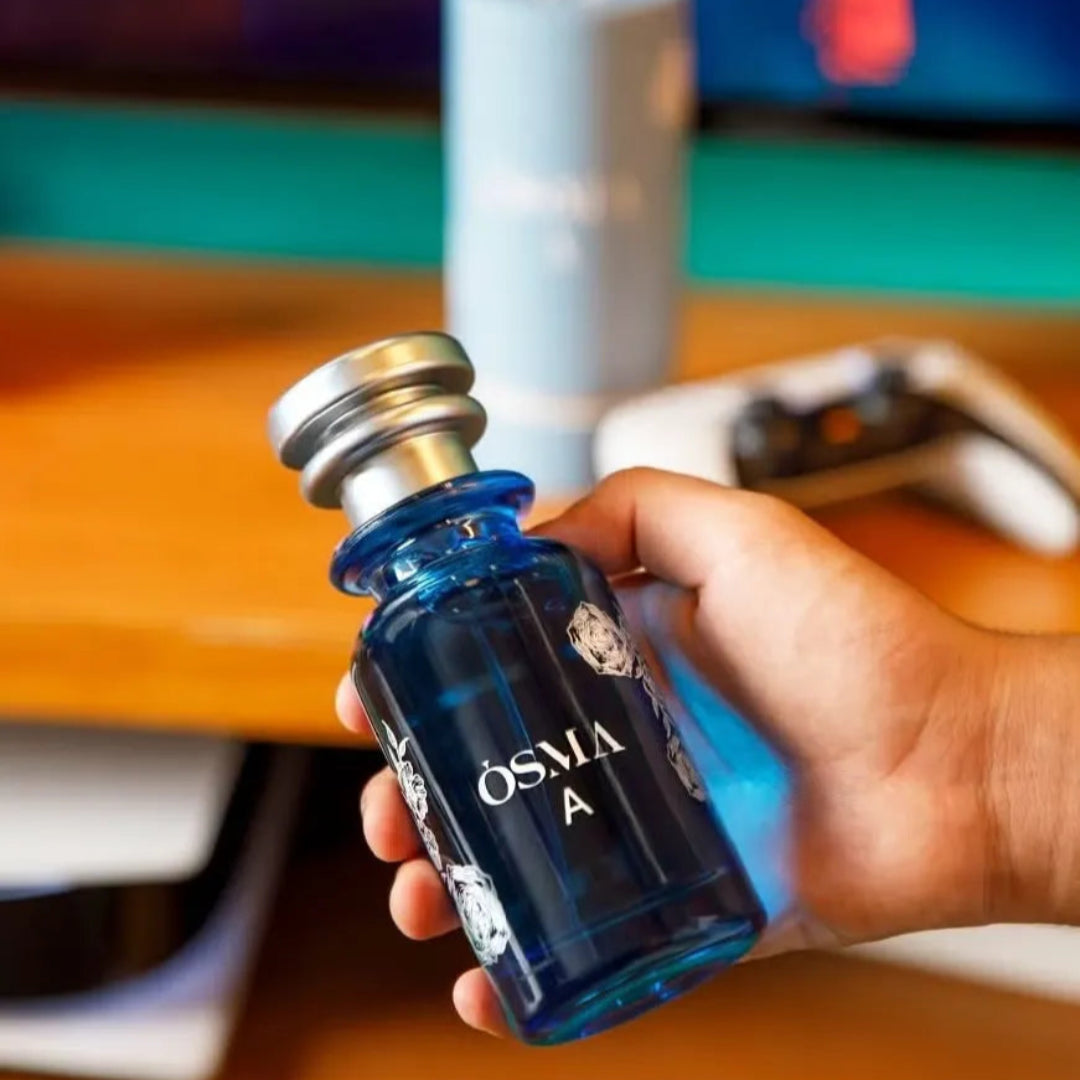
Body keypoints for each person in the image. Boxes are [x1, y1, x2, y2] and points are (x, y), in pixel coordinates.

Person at [335, 467, 1080, 1038]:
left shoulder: (544, 577)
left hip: (693, 922)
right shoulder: (398, 644)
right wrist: (988, 772)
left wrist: (984, 753)